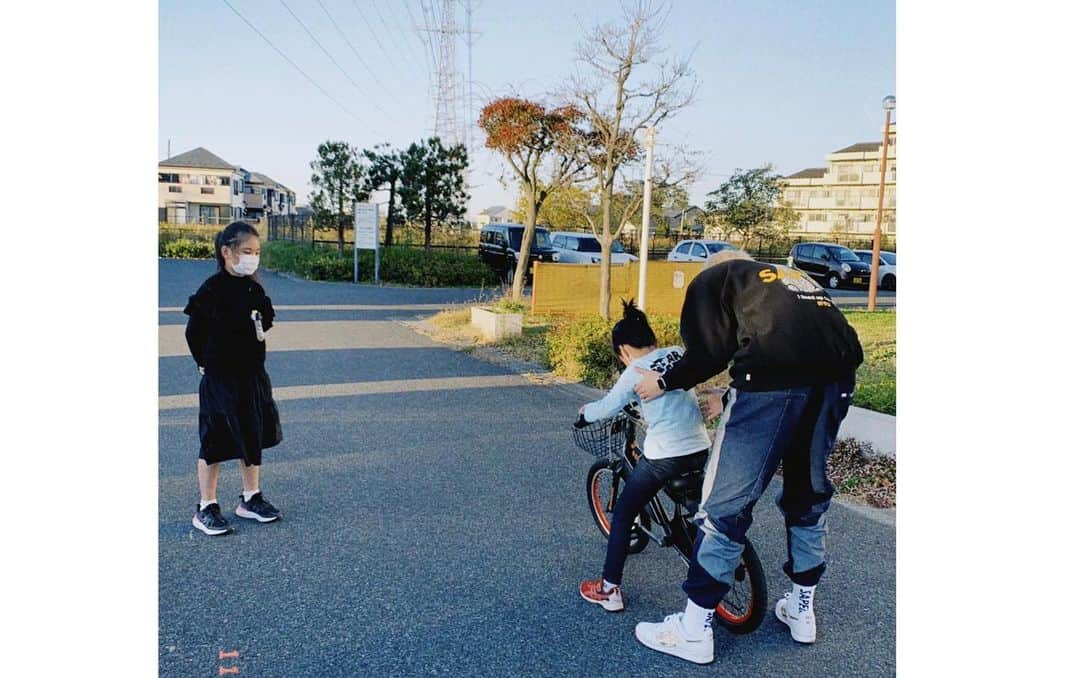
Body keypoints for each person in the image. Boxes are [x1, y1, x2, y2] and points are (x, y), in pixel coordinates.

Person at [630, 249, 863, 665]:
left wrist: (662, 382)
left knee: (724, 504)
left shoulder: (717, 277)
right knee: (808, 491)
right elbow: (789, 344)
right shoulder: (791, 279)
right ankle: (802, 609)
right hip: (836, 381)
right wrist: (735, 395)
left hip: (773, 383)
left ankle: (694, 628)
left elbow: (706, 352)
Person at [577, 300, 713, 613]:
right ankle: (688, 531)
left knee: (624, 513)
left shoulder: (634, 372)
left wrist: (585, 414)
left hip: (667, 454)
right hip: (699, 447)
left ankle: (609, 590)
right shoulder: (677, 353)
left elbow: (607, 407)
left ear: (624, 349)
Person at [184, 221, 283, 536]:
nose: (252, 258)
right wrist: (205, 363)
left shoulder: (254, 288)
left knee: (251, 436)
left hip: (252, 376)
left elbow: (265, 319)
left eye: (256, 252)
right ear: (226, 252)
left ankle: (250, 498)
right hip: (220, 379)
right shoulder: (212, 290)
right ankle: (206, 506)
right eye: (246, 251)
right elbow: (193, 331)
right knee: (215, 439)